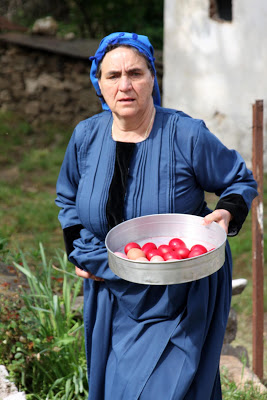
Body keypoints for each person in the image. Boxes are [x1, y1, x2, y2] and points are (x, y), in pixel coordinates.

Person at [55, 32, 258, 400]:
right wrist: (77, 250)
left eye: (135, 73)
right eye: (112, 76)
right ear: (98, 83)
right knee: (118, 390)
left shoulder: (186, 134)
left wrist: (227, 212)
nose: (125, 85)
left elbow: (238, 180)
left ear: (152, 77)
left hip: (179, 293)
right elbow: (67, 198)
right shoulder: (85, 137)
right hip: (109, 289)